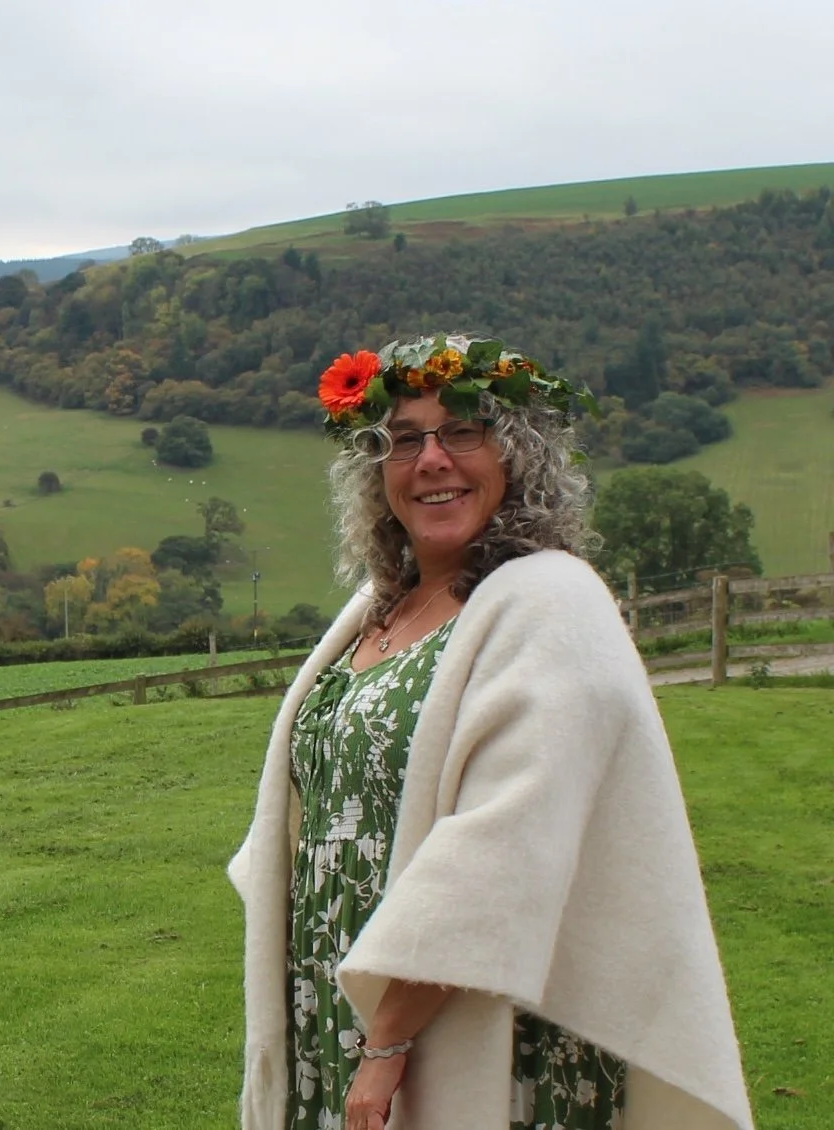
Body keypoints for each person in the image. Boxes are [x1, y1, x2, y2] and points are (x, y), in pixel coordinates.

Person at [229, 335, 753, 1130]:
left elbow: (505, 853)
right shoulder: (378, 609)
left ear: (520, 459)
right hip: (338, 1016)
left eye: (464, 432)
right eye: (405, 440)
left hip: (471, 1024)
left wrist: (387, 1043)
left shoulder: (550, 603)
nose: (432, 459)